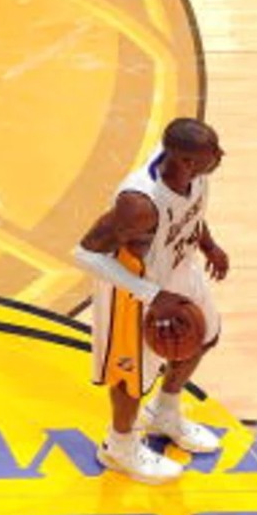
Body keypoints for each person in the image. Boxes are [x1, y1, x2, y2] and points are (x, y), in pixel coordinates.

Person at [73, 118, 229, 483]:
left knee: (203, 337)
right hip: (134, 289)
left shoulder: (194, 173)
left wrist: (209, 246)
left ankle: (164, 412)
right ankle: (119, 446)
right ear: (186, 161)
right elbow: (85, 254)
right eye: (213, 153)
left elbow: (191, 212)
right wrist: (153, 295)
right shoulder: (139, 204)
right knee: (130, 377)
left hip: (177, 269)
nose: (221, 155)